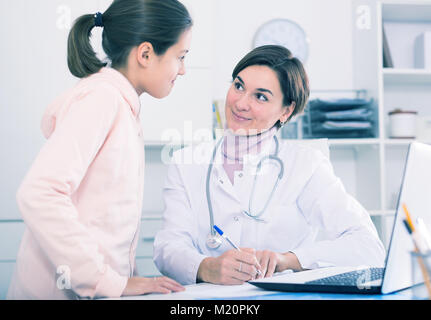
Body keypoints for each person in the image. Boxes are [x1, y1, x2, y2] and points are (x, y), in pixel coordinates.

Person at [153, 45, 386, 285]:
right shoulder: (186, 162)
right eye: (238, 86)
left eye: (261, 96)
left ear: (286, 110)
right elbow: (167, 248)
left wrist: (288, 260)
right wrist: (206, 267)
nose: (241, 103)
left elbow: (368, 246)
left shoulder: (305, 165)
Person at [7, 0, 192, 299]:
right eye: (180, 56)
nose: (182, 70)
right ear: (145, 54)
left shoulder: (122, 106)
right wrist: (104, 282)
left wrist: (126, 278)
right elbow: (39, 193)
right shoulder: (102, 100)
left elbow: (103, 216)